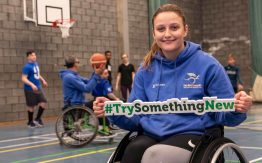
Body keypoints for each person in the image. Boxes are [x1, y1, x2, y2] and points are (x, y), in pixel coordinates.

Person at [94, 4, 252, 163]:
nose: (167, 34)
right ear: (154, 33)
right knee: (131, 151)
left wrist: (238, 108)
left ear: (185, 30)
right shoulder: (145, 69)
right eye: (161, 29)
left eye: (174, 27)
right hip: (151, 135)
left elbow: (226, 115)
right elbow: (136, 117)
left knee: (156, 156)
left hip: (195, 135)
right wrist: (113, 110)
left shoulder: (208, 66)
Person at [22, 51, 48, 128]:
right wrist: (32, 84)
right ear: (28, 57)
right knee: (31, 106)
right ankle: (30, 122)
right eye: (32, 55)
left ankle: (37, 119)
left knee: (44, 102)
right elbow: (23, 78)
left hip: (38, 87)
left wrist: (43, 80)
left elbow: (37, 74)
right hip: (30, 89)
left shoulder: (36, 64)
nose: (34, 56)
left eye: (35, 55)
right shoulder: (27, 67)